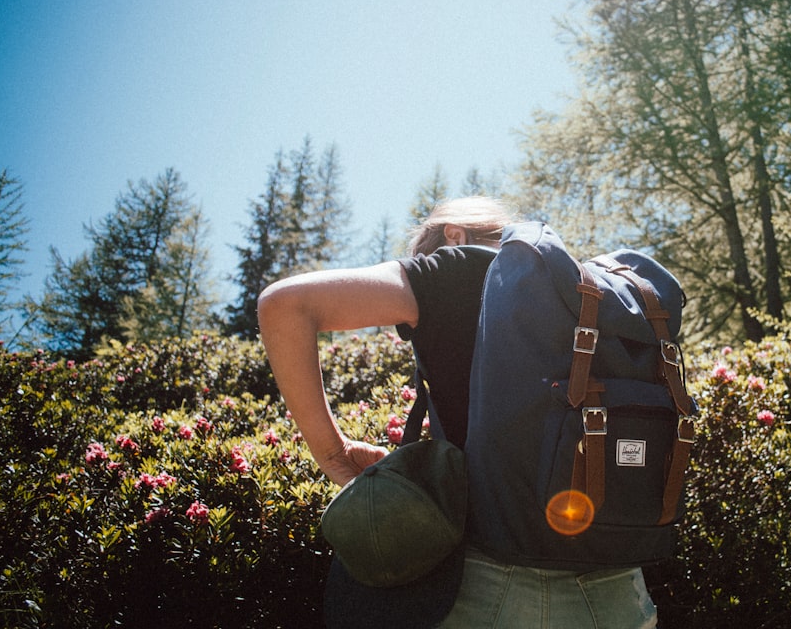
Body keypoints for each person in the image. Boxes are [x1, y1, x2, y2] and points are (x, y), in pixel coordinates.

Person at [257, 196, 659, 628]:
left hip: (492, 580)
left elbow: (285, 304)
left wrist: (332, 453)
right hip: (619, 589)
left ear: (453, 235)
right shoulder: (591, 297)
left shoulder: (459, 267)